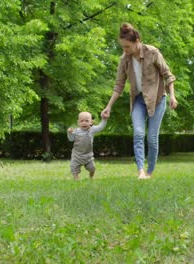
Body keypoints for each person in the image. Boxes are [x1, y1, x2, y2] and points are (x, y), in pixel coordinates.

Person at [101, 22, 177, 180]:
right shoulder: (124, 60)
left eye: (127, 46)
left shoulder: (152, 52)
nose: (125, 50)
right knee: (138, 134)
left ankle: (150, 172)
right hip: (138, 101)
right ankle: (141, 171)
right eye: (122, 47)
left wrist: (172, 96)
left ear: (136, 42)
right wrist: (108, 106)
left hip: (157, 99)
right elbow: (119, 85)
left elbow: (167, 75)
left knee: (152, 138)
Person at [67, 112, 108, 180]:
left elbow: (101, 127)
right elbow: (71, 139)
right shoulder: (76, 131)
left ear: (91, 122)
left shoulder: (92, 130)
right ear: (78, 122)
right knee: (74, 168)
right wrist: (69, 133)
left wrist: (104, 119)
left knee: (92, 168)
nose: (84, 123)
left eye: (87, 121)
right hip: (77, 155)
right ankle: (76, 178)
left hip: (88, 155)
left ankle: (91, 177)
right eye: (82, 121)